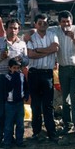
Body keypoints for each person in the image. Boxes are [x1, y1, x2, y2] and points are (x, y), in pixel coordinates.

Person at [0, 19, 29, 147]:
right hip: (2, 78)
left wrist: (22, 60)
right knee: (0, 110)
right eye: (11, 28)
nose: (13, 30)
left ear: (19, 29)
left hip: (16, 79)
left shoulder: (22, 44)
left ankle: (16, 139)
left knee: (15, 110)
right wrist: (0, 56)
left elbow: (27, 61)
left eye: (15, 28)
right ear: (6, 29)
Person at [49, 10, 75, 135]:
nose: (66, 24)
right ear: (59, 22)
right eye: (63, 22)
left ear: (72, 21)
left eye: (68, 21)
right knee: (65, 99)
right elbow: (41, 29)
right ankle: (67, 124)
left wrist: (73, 38)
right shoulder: (55, 30)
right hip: (63, 68)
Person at [27, 13, 60, 141]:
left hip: (47, 74)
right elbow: (30, 54)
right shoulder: (31, 38)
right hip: (34, 74)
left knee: (48, 105)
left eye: (45, 22)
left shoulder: (52, 35)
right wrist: (48, 50)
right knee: (35, 105)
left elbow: (55, 48)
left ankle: (51, 132)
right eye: (40, 23)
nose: (42, 25)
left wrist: (39, 50)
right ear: (35, 24)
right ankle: (37, 132)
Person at [3, 58, 29, 148]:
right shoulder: (7, 77)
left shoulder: (22, 76)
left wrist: (26, 95)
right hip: (10, 103)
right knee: (8, 124)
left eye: (18, 68)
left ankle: (20, 141)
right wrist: (13, 78)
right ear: (10, 68)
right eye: (14, 68)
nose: (16, 70)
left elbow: (25, 86)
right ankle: (7, 142)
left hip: (19, 103)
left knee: (20, 124)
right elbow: (8, 88)